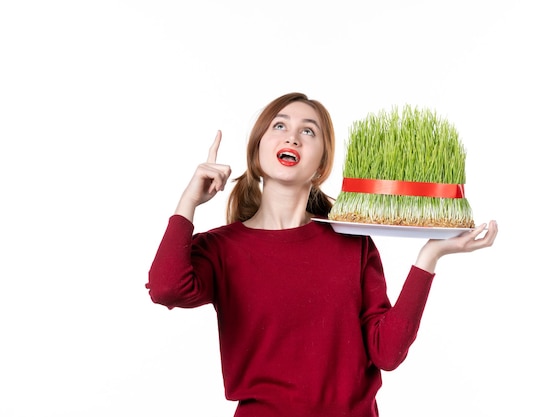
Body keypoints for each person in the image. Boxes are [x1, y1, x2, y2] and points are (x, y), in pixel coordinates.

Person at [147, 92, 498, 417]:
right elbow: (166, 289)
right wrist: (189, 202)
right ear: (256, 151)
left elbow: (387, 354)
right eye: (280, 125)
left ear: (320, 165)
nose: (292, 137)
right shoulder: (221, 248)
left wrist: (429, 256)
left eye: (308, 131)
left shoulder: (351, 243)